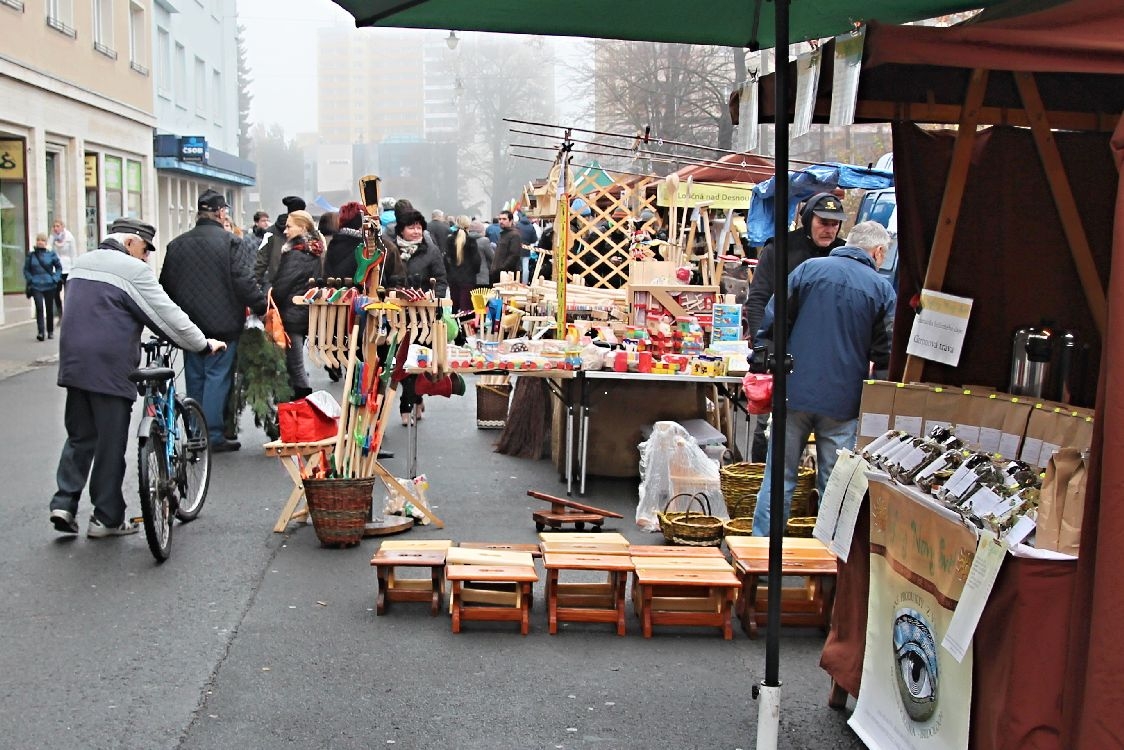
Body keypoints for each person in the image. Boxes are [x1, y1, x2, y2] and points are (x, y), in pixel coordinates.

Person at [48, 217, 226, 537]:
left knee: (79, 436)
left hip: (74, 363)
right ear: (130, 243)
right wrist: (202, 343)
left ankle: (64, 502)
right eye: (145, 250)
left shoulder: (81, 263)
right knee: (109, 444)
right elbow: (167, 316)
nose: (146, 258)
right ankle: (107, 518)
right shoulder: (131, 270)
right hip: (109, 367)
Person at [750, 221, 896, 537]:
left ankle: (760, 555)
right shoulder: (881, 288)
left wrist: (765, 358)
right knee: (835, 484)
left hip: (794, 390)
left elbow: (773, 320)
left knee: (779, 478)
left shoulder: (808, 270)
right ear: (878, 251)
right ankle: (830, 569)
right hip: (843, 401)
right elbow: (886, 352)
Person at [161, 188, 267, 452]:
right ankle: (213, 434)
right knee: (218, 376)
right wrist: (261, 305)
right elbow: (243, 281)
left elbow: (165, 286)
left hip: (188, 325)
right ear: (221, 213)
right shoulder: (230, 242)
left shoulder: (177, 244)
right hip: (223, 325)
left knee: (195, 377)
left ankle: (196, 433)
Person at [743, 192, 846, 461]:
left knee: (825, 431)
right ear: (809, 218)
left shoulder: (843, 254)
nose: (829, 229)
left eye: (835, 224)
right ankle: (758, 480)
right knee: (769, 427)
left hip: (827, 359)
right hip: (783, 353)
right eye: (823, 222)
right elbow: (757, 301)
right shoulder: (781, 249)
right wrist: (763, 348)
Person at [381, 208, 447, 424]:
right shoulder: (389, 250)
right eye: (412, 227)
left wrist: (432, 299)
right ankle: (410, 400)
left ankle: (410, 400)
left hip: (423, 316)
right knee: (400, 361)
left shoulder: (431, 251)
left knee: (417, 359)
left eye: (419, 227)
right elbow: (384, 279)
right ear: (401, 229)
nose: (417, 231)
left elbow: (441, 279)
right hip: (396, 314)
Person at [270, 210, 325, 400]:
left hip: (292, 315)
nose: (285, 231)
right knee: (296, 365)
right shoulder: (314, 250)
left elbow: (282, 287)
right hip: (305, 313)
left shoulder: (296, 254)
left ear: (302, 228)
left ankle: (303, 408)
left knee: (295, 367)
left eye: (289, 226)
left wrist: (270, 297)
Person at [255, 195, 306, 292]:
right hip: (300, 288)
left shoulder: (269, 232)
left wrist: (252, 284)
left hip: (275, 286)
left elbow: (260, 262)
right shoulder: (305, 231)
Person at [24, 233, 62, 341]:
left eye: (42, 240)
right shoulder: (31, 255)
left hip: (49, 285)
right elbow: (26, 269)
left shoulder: (51, 254)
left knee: (49, 309)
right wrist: (30, 279)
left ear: (46, 243)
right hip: (36, 285)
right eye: (38, 240)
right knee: (39, 308)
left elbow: (59, 267)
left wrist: (55, 278)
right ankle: (41, 332)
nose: (40, 242)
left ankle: (50, 331)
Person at [444, 215, 479, 313]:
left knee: (454, 307)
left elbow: (446, 259)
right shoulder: (471, 241)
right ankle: (465, 328)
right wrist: (474, 272)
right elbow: (476, 261)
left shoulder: (449, 240)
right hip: (468, 279)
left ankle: (455, 327)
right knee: (466, 309)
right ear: (468, 225)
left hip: (453, 278)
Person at [50, 219, 77, 317]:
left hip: (67, 268)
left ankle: (67, 312)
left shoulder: (69, 238)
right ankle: (59, 311)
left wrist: (74, 268)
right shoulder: (52, 238)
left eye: (58, 226)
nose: (56, 228)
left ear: (62, 226)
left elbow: (73, 254)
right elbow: (50, 252)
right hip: (56, 268)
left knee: (68, 292)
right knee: (56, 291)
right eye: (54, 226)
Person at [490, 210, 522, 284]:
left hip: (506, 276)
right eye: (500, 219)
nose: (501, 221)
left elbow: (514, 256)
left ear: (510, 221)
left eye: (504, 219)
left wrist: (501, 269)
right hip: (498, 274)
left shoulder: (514, 235)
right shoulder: (503, 234)